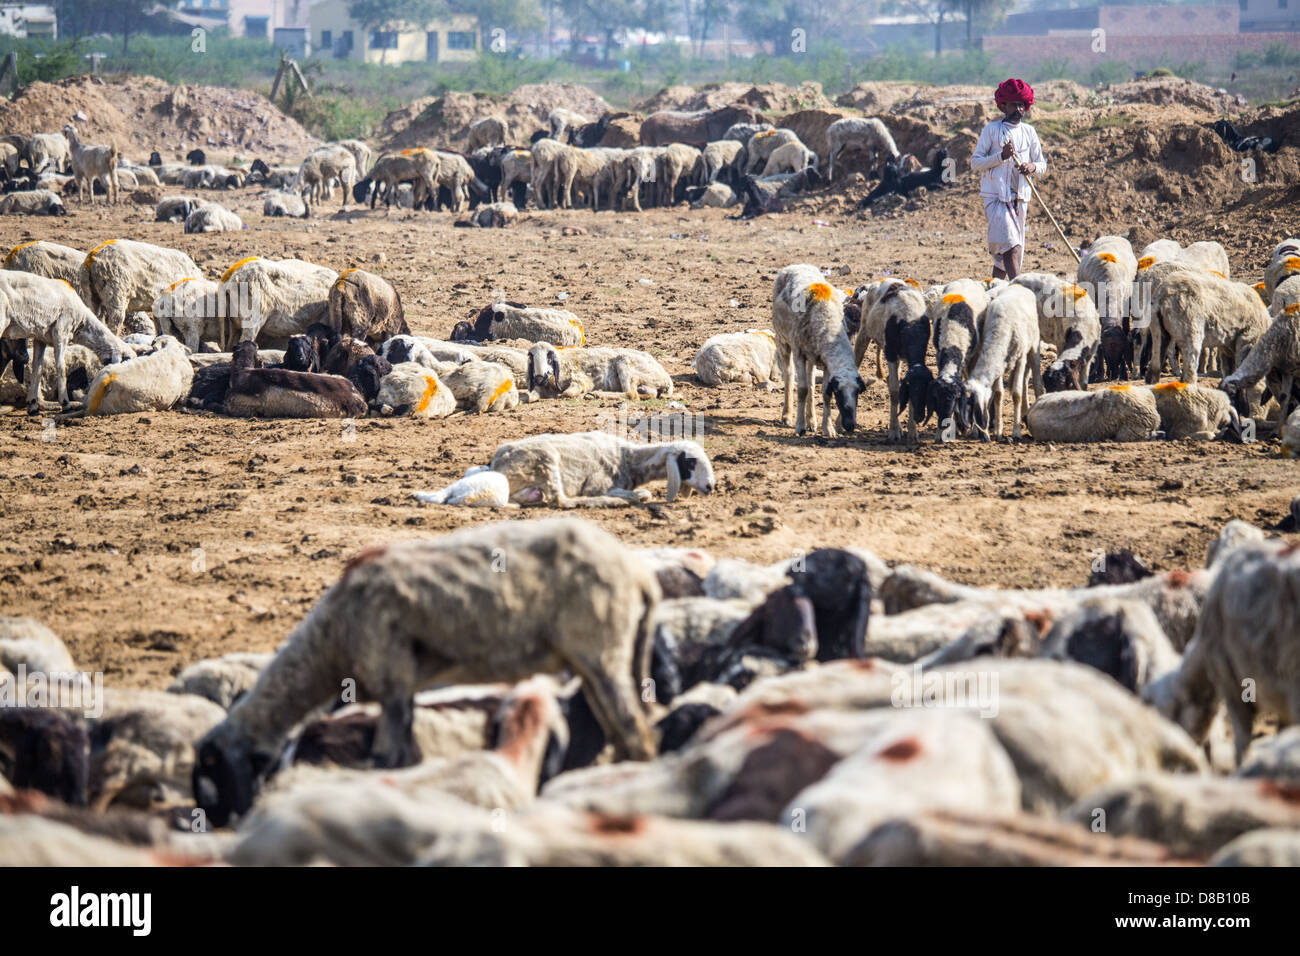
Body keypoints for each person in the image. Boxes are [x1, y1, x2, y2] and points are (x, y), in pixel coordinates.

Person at [971, 78, 1047, 280]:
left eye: (1022, 105)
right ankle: (1020, 289)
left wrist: (1031, 167)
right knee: (1011, 246)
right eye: (1014, 104)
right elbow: (975, 163)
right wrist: (1001, 157)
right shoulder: (991, 130)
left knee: (1006, 256)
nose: (1019, 109)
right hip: (996, 198)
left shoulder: (1029, 132)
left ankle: (994, 291)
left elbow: (1042, 164)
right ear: (1003, 105)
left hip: (1020, 198)